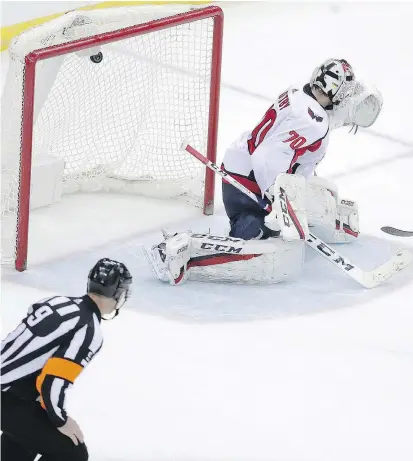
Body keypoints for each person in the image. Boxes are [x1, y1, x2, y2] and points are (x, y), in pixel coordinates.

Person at [144, 58, 383, 285]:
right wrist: (278, 198)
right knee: (278, 253)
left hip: (247, 169)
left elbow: (290, 160)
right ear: (336, 93)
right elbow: (266, 156)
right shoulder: (313, 121)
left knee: (317, 195)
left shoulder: (302, 94)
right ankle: (185, 252)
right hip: (248, 183)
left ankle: (319, 222)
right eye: (346, 93)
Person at [1, 258, 132, 461]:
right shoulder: (88, 331)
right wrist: (61, 420)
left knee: (28, 432)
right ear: (118, 294)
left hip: (10, 395)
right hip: (8, 399)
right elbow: (51, 382)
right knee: (72, 452)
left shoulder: (55, 301)